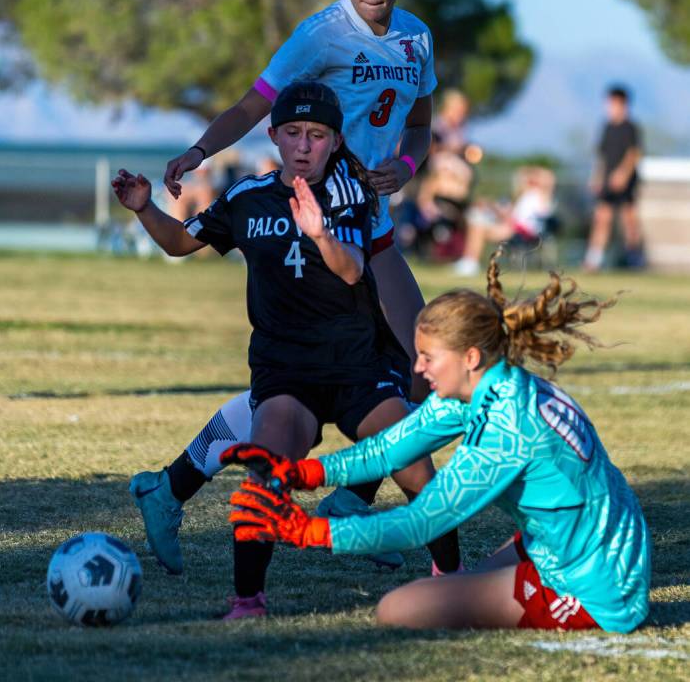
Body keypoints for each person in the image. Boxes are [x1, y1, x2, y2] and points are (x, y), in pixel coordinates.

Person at [130, 0, 443, 575]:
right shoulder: (320, 36)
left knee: (413, 370)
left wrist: (406, 170)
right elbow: (252, 106)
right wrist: (197, 150)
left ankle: (336, 503)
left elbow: (418, 128)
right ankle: (182, 490)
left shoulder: (417, 39)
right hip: (317, 220)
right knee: (303, 381)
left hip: (368, 221)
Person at [114, 81, 460, 618]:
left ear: (336, 141)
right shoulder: (247, 198)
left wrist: (321, 234)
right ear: (273, 135)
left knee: (412, 461)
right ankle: (247, 601)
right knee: (267, 471)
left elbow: (351, 270)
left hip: (358, 366)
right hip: (286, 371)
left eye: (318, 135)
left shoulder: (353, 194)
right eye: (293, 133)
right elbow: (181, 242)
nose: (304, 145)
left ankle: (451, 582)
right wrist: (143, 209)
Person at [226, 249, 651, 632]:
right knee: (462, 585)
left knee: (399, 607)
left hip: (596, 585)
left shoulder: (506, 428)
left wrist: (309, 531)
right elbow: (390, 448)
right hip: (591, 542)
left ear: (469, 357)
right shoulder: (488, 384)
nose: (418, 367)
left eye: (429, 357)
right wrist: (305, 472)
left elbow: (423, 521)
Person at [583, 85, 645, 271]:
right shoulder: (607, 127)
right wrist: (597, 176)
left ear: (622, 103)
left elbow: (634, 153)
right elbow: (602, 156)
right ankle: (593, 260)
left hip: (626, 182)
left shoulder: (631, 128)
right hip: (607, 182)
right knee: (602, 219)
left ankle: (634, 259)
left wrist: (623, 174)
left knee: (629, 221)